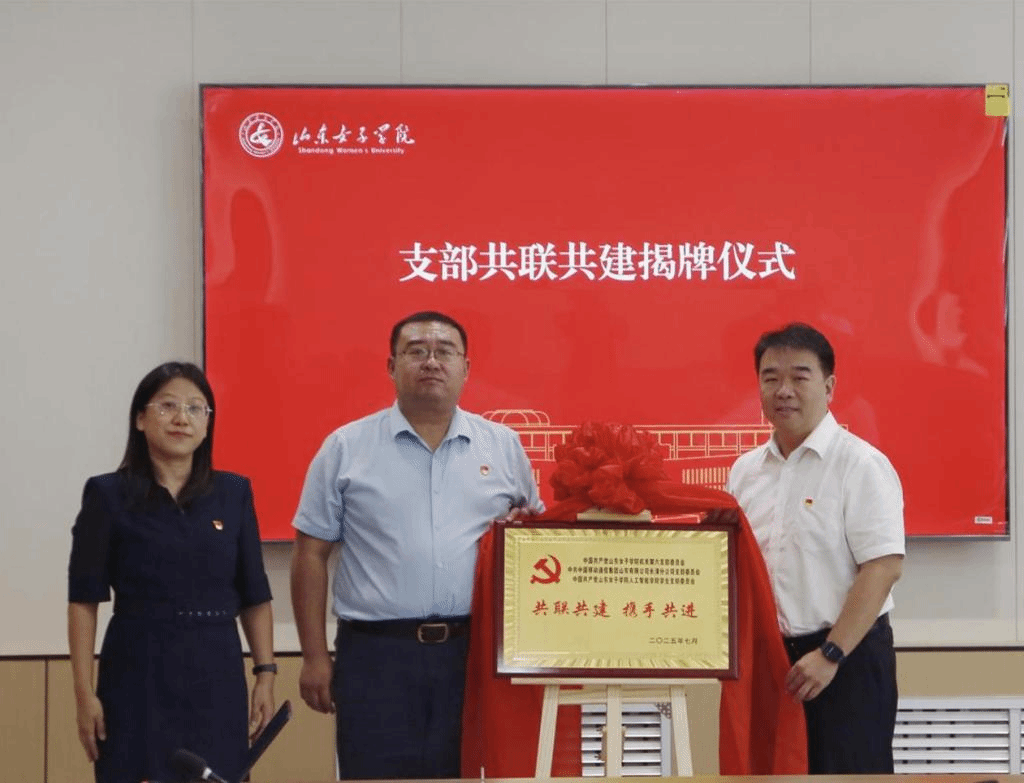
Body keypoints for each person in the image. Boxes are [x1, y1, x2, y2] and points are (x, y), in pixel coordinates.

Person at [290, 310, 542, 780]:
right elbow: (310, 554)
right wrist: (314, 656)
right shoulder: (346, 447)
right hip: (375, 654)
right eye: (416, 351)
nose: (431, 361)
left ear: (466, 367)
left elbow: (533, 541)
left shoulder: (503, 446)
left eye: (445, 351)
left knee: (467, 772)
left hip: (473, 654)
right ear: (391, 366)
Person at [67, 362, 276, 783]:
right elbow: (83, 600)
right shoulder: (107, 494)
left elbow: (254, 595)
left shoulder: (233, 492)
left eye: (196, 408)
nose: (182, 418)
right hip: (137, 669)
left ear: (207, 424)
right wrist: (84, 693)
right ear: (140, 419)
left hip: (216, 669)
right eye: (168, 406)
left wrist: (265, 675)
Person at [723, 322, 905, 774]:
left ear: (828, 386)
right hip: (771, 663)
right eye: (771, 378)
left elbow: (882, 568)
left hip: (844, 659)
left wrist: (830, 654)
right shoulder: (745, 472)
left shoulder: (860, 464)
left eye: (799, 377)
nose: (783, 390)